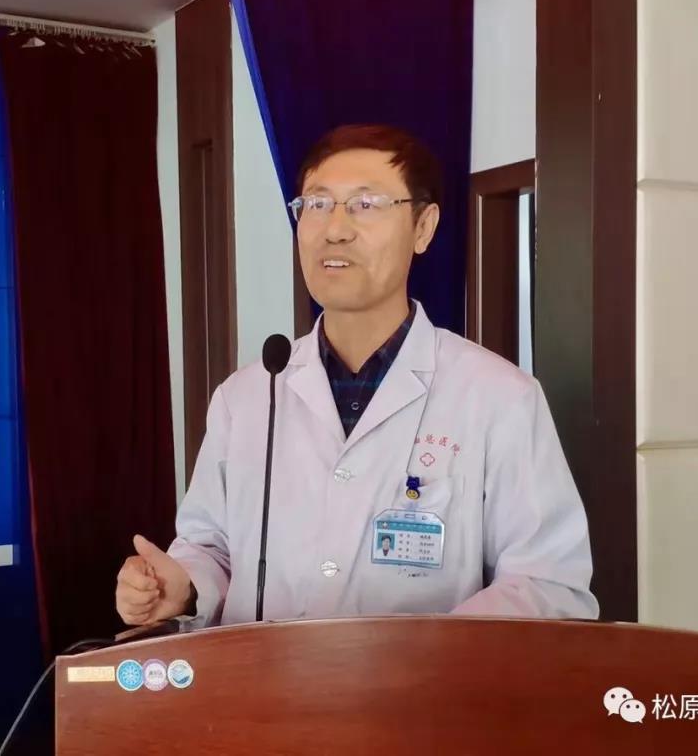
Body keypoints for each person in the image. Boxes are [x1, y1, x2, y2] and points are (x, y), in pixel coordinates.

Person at [116, 124, 599, 628]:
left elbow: (547, 583)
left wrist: (427, 654)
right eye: (317, 204)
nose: (335, 229)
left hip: (426, 679)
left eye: (366, 204)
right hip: (260, 677)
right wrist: (181, 585)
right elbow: (209, 547)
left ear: (423, 227)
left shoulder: (498, 397)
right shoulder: (247, 396)